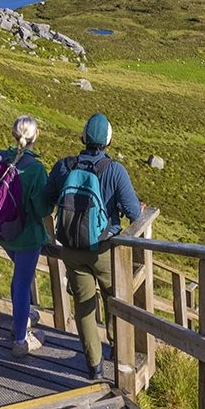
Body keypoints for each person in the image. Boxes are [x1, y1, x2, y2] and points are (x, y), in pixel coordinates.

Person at [47, 112, 145, 381]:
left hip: (71, 250)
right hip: (103, 249)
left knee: (83, 306)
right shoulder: (114, 170)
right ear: (109, 142)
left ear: (83, 137)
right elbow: (135, 213)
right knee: (114, 299)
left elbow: (47, 197)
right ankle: (117, 348)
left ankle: (94, 366)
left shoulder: (64, 166)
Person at [0, 115, 53, 357]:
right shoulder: (35, 168)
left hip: (2, 231)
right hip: (26, 235)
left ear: (14, 134)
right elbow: (43, 209)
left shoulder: (0, 156)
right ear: (36, 136)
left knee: (19, 278)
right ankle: (21, 341)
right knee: (23, 283)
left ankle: (20, 319)